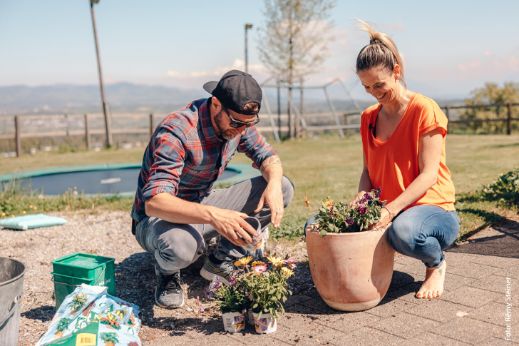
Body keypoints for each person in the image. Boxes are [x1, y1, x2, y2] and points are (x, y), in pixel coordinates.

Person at [131, 70, 294, 309]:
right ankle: (167, 272)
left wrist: (273, 182)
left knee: (283, 187)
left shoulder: (240, 123)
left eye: (249, 124)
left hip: (202, 204)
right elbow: (155, 202)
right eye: (237, 123)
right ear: (216, 104)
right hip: (158, 219)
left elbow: (269, 157)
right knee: (181, 247)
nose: (241, 130)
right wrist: (215, 216)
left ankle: (220, 260)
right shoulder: (177, 131)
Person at [353, 21, 459, 299]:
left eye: (379, 84)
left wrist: (389, 212)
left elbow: (429, 175)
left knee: (404, 232)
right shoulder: (368, 118)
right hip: (393, 209)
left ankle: (436, 264)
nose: (374, 92)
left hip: (434, 210)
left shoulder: (425, 110)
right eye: (366, 87)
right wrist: (362, 199)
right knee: (317, 223)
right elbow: (368, 170)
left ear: (396, 72)